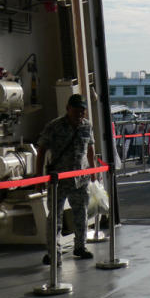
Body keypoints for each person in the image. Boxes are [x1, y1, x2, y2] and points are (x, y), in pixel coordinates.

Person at [35, 93, 98, 263]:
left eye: (82, 112)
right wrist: (39, 177)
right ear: (68, 109)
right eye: (76, 111)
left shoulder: (87, 126)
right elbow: (41, 151)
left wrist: (93, 170)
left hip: (81, 178)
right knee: (55, 216)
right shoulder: (54, 127)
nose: (80, 115)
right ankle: (53, 252)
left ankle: (80, 246)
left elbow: (90, 149)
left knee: (81, 213)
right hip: (59, 180)